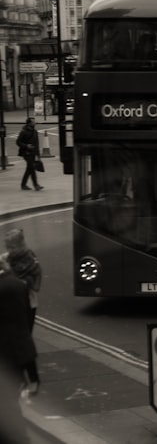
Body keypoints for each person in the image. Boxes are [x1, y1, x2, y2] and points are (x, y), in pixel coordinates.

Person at [2, 230, 41, 397]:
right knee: (15, 341)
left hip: (27, 304)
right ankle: (21, 378)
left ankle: (33, 379)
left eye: (12, 246)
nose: (9, 249)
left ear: (20, 245)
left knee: (24, 339)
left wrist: (10, 272)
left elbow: (32, 281)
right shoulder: (5, 259)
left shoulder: (30, 259)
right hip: (11, 304)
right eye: (7, 246)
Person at [15, 118, 43, 192]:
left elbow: (37, 144)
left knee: (29, 169)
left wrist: (38, 155)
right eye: (33, 122)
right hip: (26, 153)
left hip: (33, 152)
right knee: (32, 167)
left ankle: (23, 185)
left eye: (34, 122)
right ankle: (36, 185)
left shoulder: (35, 132)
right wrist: (26, 146)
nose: (34, 123)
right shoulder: (23, 132)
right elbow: (18, 142)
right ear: (29, 123)